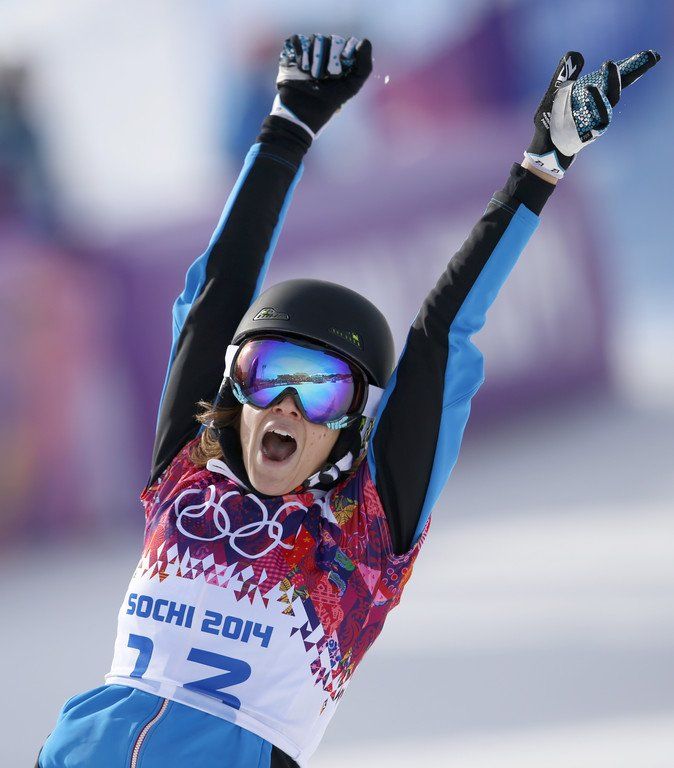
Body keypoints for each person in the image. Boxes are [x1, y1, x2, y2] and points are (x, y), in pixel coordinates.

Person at [37, 34, 660, 768]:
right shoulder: (187, 471)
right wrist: (288, 124)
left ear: (350, 425)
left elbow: (440, 338)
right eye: (270, 374)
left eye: (322, 389)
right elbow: (216, 294)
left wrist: (540, 169)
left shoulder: (362, 531)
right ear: (237, 389)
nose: (288, 406)